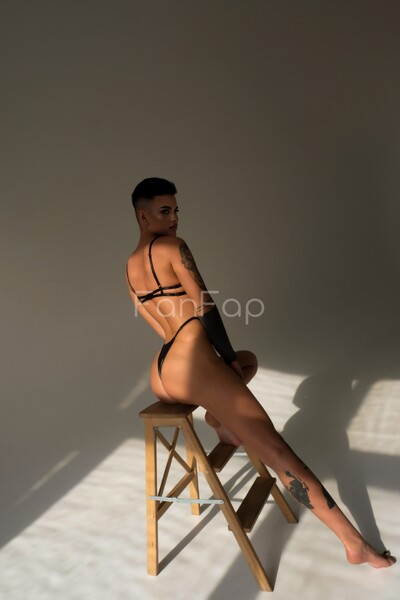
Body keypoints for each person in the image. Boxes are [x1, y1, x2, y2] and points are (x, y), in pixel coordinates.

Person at [125, 177, 396, 569]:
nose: (174, 218)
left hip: (163, 372)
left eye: (176, 210)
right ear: (142, 215)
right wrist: (226, 359)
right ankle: (354, 544)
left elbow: (159, 325)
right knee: (278, 451)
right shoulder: (173, 247)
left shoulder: (129, 267)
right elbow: (205, 306)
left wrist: (227, 365)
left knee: (249, 359)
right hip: (193, 361)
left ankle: (220, 420)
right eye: (165, 211)